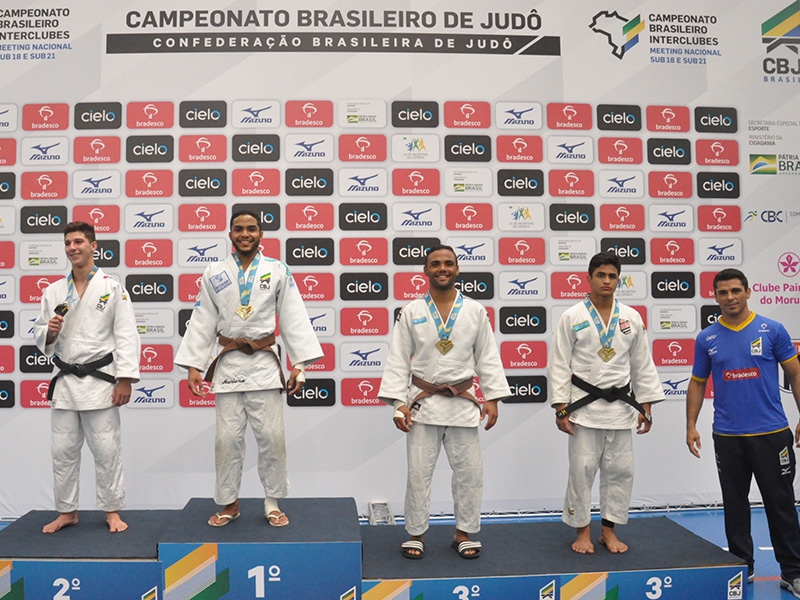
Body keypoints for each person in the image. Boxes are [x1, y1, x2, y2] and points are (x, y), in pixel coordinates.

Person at [175, 210, 323, 528]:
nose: (245, 233)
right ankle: (229, 503)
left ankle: (272, 501)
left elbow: (294, 316)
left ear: (261, 234)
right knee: (227, 440)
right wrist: (193, 366)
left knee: (271, 436)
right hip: (228, 363)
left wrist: (299, 366)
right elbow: (202, 320)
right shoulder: (215, 271)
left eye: (251, 229)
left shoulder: (277, 270)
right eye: (239, 229)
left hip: (264, 362)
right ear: (230, 234)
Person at [378, 245, 511, 560]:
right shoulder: (411, 311)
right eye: (435, 264)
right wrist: (398, 402)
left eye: (448, 264)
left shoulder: (475, 311)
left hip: (463, 403)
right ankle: (416, 533)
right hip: (423, 404)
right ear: (425, 271)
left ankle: (463, 532)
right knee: (419, 473)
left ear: (457, 270)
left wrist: (491, 398)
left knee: (469, 473)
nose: (442, 268)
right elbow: (398, 360)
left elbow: (488, 357)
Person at [686, 268, 800, 596]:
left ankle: (792, 572)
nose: (730, 297)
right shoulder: (706, 338)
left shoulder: (773, 330)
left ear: (748, 292)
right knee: (735, 504)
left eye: (736, 290)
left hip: (771, 433)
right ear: (715, 296)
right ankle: (741, 566)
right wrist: (691, 424)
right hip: (728, 436)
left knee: (780, 505)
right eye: (723, 293)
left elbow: (794, 373)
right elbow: (696, 383)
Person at [548, 251, 663, 554]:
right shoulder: (572, 316)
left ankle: (608, 531)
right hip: (583, 407)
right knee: (582, 471)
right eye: (601, 275)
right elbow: (559, 363)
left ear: (619, 280)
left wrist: (646, 404)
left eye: (612, 276)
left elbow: (642, 363)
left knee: (620, 472)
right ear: (589, 279)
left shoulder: (631, 317)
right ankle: (582, 531)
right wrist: (560, 406)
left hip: (622, 408)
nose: (607, 281)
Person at [33, 221, 140, 534]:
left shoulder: (112, 288)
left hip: (100, 380)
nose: (72, 248)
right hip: (65, 380)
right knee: (62, 451)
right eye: (68, 243)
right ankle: (67, 511)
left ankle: (112, 510)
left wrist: (125, 378)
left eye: (78, 241)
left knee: (107, 449)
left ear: (94, 246)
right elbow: (40, 333)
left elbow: (127, 335)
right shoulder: (53, 291)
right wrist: (47, 333)